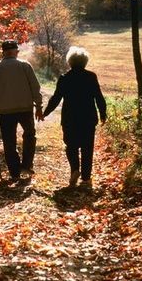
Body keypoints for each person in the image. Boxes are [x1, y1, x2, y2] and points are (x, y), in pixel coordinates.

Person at [43, 46, 106, 187]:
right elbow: (99, 97)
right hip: (88, 118)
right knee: (87, 148)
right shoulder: (91, 76)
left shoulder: (65, 78)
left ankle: (74, 170)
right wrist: (103, 113)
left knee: (71, 145)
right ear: (85, 62)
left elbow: (56, 98)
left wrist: (46, 113)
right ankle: (86, 178)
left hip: (70, 118)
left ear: (70, 62)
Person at [0, 39, 44, 182]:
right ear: (16, 51)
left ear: (4, 52)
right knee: (30, 135)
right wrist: (38, 106)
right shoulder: (25, 65)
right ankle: (26, 165)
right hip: (25, 108)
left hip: (5, 111)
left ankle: (14, 172)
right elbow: (35, 87)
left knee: (9, 142)